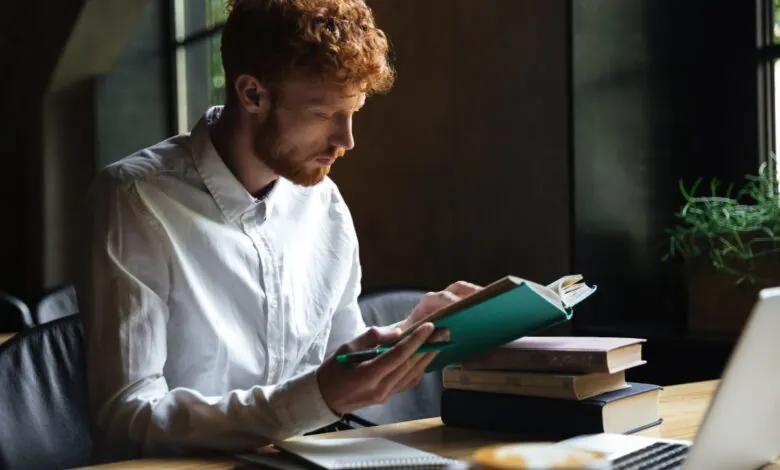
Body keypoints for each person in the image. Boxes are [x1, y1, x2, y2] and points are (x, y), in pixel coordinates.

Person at [77, 0, 482, 463]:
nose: (346, 140)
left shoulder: (323, 203)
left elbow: (334, 364)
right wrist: (311, 399)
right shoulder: (135, 198)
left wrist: (410, 333)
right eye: (324, 114)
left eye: (354, 112)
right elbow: (129, 420)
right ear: (252, 94)